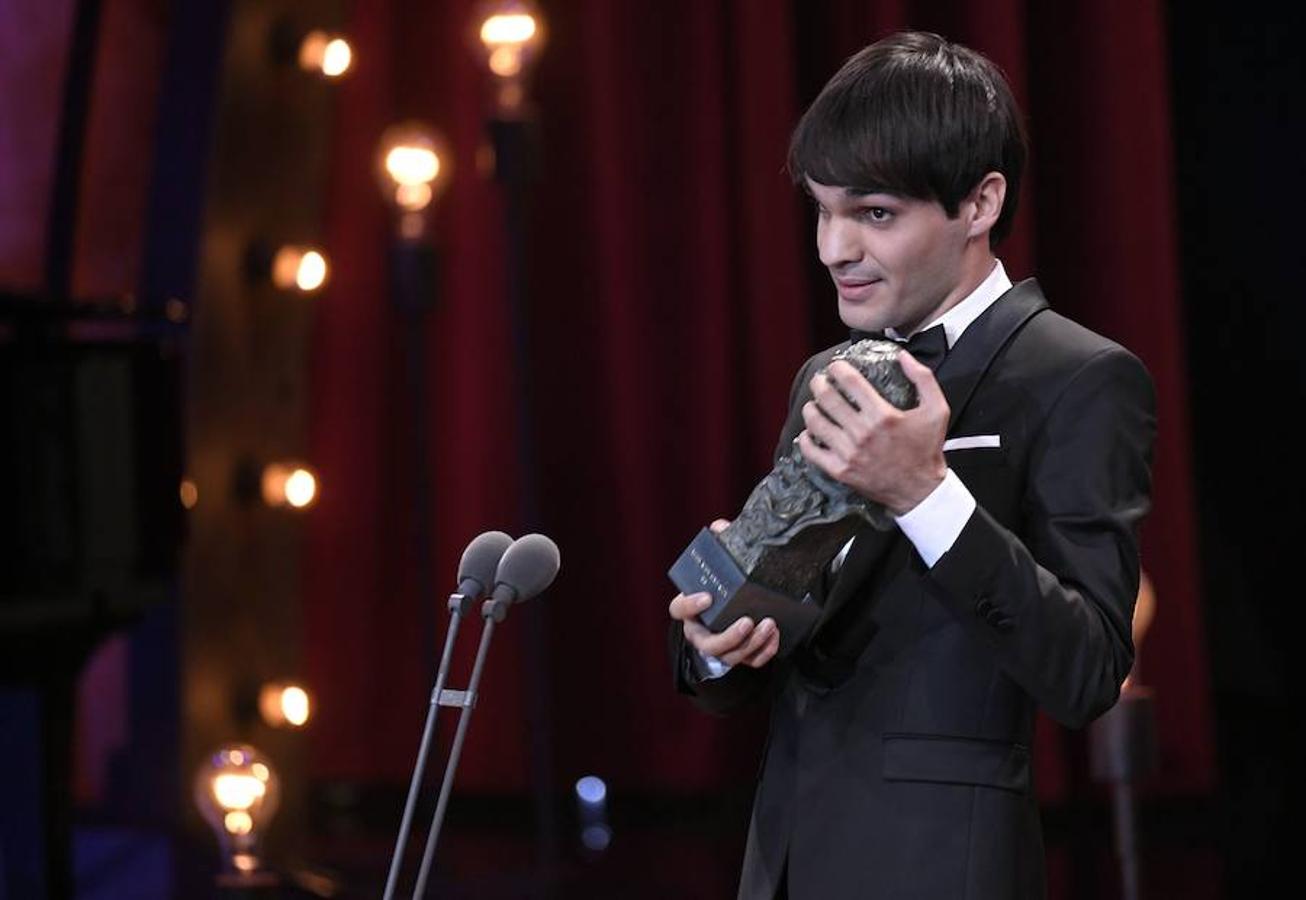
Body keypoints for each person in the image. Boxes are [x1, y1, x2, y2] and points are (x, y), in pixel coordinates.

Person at [667, 31, 1156, 900]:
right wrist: (719, 643)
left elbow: (1088, 669)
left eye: (874, 214)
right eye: (822, 210)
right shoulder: (830, 375)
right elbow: (774, 652)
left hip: (942, 868)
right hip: (782, 863)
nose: (833, 248)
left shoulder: (1081, 377)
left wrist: (925, 492)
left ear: (980, 204)